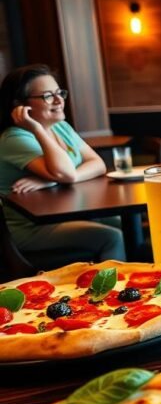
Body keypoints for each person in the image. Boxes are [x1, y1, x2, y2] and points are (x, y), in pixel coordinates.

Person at [0, 64, 125, 263]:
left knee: (122, 223)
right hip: (31, 227)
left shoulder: (61, 127)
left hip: (66, 213)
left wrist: (51, 181)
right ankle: (110, 292)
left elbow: (97, 164)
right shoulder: (15, 138)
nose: (59, 100)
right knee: (111, 237)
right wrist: (36, 128)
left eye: (59, 93)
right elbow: (66, 173)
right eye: (47, 96)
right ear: (20, 105)